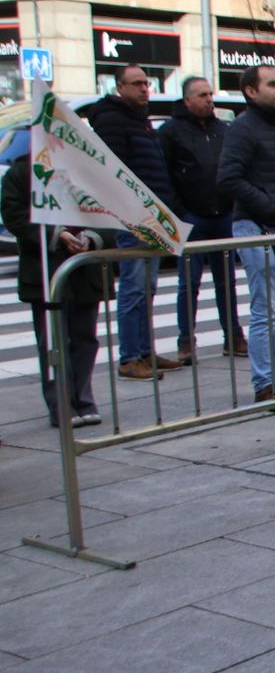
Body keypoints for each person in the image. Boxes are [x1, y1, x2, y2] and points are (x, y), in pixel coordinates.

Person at [216, 65, 275, 403]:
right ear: (251, 91)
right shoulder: (244, 128)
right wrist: (270, 208)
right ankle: (264, 382)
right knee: (266, 309)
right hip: (257, 226)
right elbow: (229, 178)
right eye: (272, 84)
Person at [83, 64, 184, 381]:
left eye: (146, 83)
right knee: (134, 288)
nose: (144, 89)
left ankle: (143, 351)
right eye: (137, 83)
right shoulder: (113, 119)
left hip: (152, 214)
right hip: (134, 216)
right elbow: (116, 170)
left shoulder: (139, 120)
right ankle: (130, 356)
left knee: (147, 288)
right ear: (120, 87)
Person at [2, 154, 110, 428]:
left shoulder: (86, 166)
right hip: (44, 267)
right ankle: (60, 404)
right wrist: (57, 234)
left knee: (85, 337)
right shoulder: (23, 170)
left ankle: (84, 399)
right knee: (52, 340)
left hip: (85, 270)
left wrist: (91, 238)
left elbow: (110, 210)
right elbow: (14, 215)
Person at [160, 75, 246, 363]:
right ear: (187, 100)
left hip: (222, 213)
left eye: (210, 94)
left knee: (227, 281)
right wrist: (179, 212)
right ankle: (186, 341)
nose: (209, 99)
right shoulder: (171, 132)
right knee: (188, 283)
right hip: (191, 215)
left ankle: (233, 336)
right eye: (202, 95)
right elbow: (164, 175)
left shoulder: (224, 129)